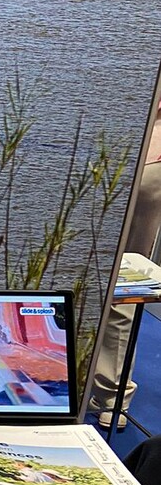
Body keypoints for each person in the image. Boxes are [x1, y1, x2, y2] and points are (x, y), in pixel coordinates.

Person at [92, 95, 161, 429]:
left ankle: (109, 394)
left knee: (121, 277)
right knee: (122, 275)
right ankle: (110, 396)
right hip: (142, 157)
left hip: (136, 155)